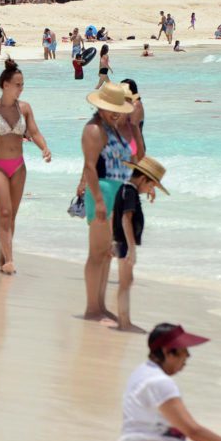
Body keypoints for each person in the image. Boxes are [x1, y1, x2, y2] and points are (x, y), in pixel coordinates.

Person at [0, 59, 51, 275]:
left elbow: (34, 132)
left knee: (12, 215)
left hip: (19, 167)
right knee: (4, 212)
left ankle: (2, 259)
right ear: (5, 85)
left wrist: (44, 148)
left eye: (22, 85)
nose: (21, 88)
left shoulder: (25, 108)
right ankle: (11, 260)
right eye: (18, 84)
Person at [81, 83, 135, 321]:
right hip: (101, 190)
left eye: (118, 107)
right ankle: (92, 307)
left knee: (106, 254)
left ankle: (100, 305)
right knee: (96, 252)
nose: (115, 112)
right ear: (100, 106)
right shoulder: (94, 130)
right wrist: (100, 201)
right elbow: (90, 167)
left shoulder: (114, 128)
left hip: (118, 191)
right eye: (111, 108)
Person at [112, 157, 170, 333]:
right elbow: (125, 218)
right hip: (124, 244)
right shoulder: (130, 192)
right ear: (144, 179)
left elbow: (113, 214)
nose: (150, 190)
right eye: (151, 186)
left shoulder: (125, 189)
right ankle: (124, 322)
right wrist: (131, 248)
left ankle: (124, 320)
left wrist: (111, 241)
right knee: (125, 283)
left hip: (121, 242)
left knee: (126, 281)